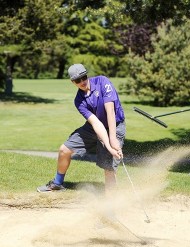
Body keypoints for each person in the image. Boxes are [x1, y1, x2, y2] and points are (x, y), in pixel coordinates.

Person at [37, 64, 125, 193]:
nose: (82, 82)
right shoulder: (79, 101)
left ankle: (111, 203)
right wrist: (109, 146)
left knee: (109, 167)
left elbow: (110, 111)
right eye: (78, 80)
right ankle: (57, 183)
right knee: (64, 150)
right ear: (73, 82)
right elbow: (96, 124)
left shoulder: (102, 81)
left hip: (115, 125)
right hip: (93, 127)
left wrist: (112, 139)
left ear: (87, 75)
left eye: (83, 77)